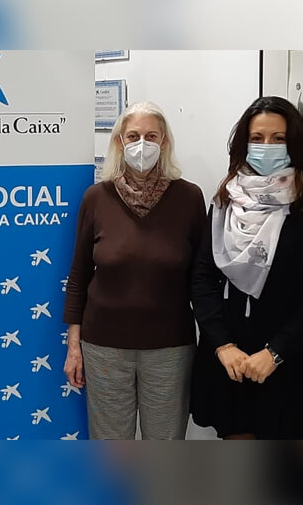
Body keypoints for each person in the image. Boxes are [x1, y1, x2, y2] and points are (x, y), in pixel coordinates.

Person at [190, 96, 303, 440]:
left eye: (277, 138)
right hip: (232, 357)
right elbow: (202, 276)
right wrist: (223, 345)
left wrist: (276, 353)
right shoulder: (226, 199)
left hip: (291, 358)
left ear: (293, 143)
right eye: (257, 138)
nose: (266, 146)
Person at [62, 101, 205, 439]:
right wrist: (73, 346)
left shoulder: (189, 198)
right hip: (104, 348)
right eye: (133, 136)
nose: (142, 144)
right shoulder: (96, 198)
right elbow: (79, 276)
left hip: (170, 348)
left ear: (164, 142)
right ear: (120, 142)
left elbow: (202, 279)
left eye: (151, 136)